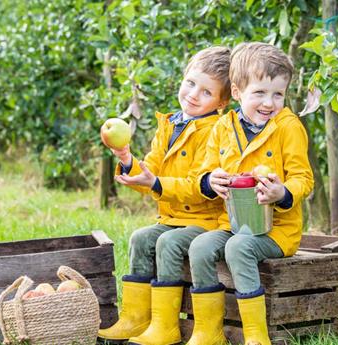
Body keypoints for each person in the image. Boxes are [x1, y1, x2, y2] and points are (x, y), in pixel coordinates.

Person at [97, 46, 231, 345]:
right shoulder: (170, 123)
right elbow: (152, 170)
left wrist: (155, 182)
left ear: (222, 101)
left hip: (206, 220)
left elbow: (200, 187)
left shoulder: (216, 131)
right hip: (173, 216)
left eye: (207, 92)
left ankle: (166, 326)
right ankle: (136, 319)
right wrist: (129, 161)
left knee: (169, 242)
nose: (194, 94)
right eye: (191, 83)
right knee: (141, 238)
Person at [187, 42, 314, 345]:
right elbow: (203, 171)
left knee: (239, 247)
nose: (269, 103)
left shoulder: (288, 127)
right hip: (231, 223)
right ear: (237, 92)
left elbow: (303, 178)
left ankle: (256, 336)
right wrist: (210, 180)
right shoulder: (223, 128)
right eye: (260, 93)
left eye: (278, 94)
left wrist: (281, 192)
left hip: (277, 231)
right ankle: (208, 331)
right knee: (201, 246)